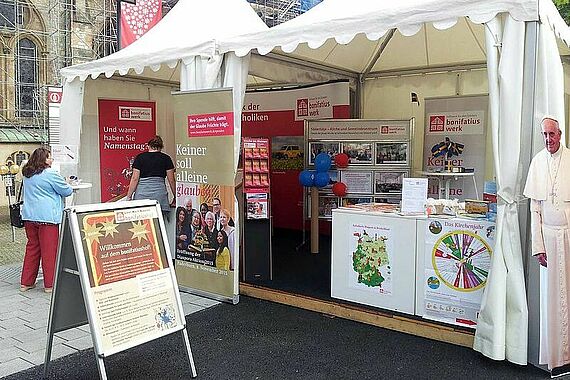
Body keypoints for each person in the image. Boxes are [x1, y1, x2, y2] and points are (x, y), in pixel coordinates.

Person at [523, 116, 570, 371]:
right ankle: (555, 357)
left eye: (552, 134)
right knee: (551, 299)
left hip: (569, 237)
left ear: (560, 134)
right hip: (549, 242)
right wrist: (538, 246)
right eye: (545, 135)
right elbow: (535, 210)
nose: (548, 139)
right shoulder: (538, 162)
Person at [20, 147, 73, 293]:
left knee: (32, 249)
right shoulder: (51, 174)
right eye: (49, 157)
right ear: (43, 159)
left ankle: (26, 282)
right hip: (47, 217)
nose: (51, 160)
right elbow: (66, 191)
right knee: (49, 251)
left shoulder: (27, 173)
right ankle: (50, 285)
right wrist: (67, 182)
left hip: (29, 216)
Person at [126, 135, 175, 213]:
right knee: (160, 223)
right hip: (159, 196)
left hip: (141, 197)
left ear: (148, 145)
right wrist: (175, 197)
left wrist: (128, 197)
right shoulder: (166, 158)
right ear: (161, 146)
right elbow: (171, 180)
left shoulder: (140, 158)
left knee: (142, 224)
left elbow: (135, 179)